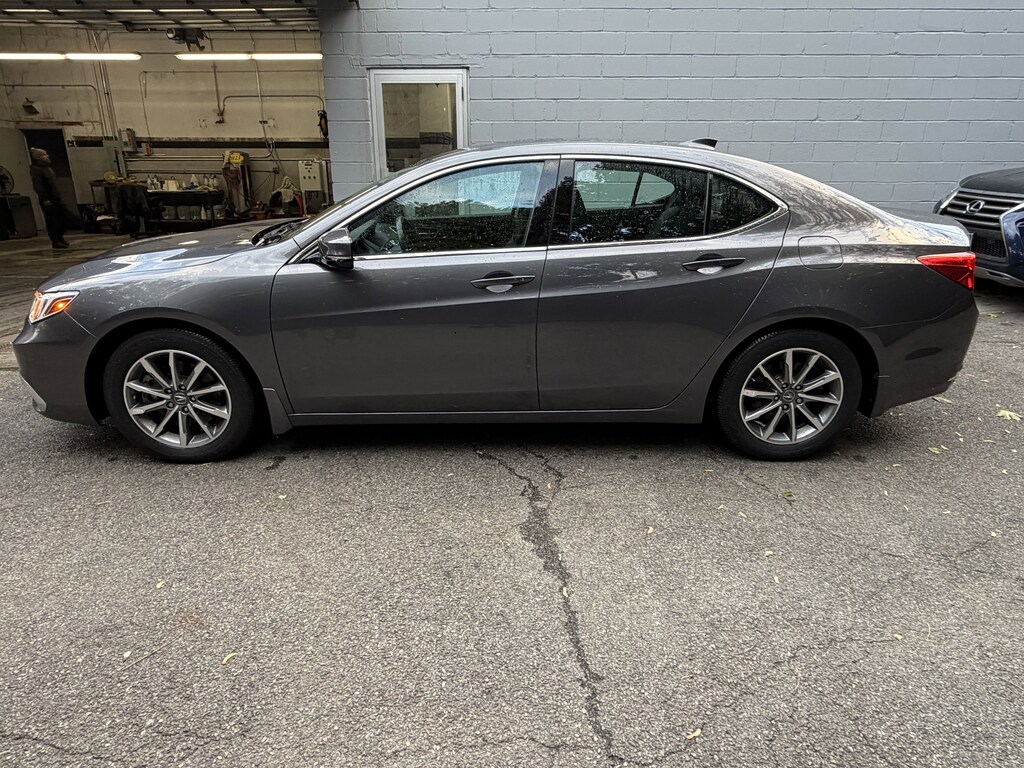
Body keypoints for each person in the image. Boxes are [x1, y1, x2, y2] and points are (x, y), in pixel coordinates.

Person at [29, 147, 69, 249]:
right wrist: (45, 199)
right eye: (44, 155)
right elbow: (38, 186)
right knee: (52, 220)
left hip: (55, 197)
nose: (47, 156)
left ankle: (60, 237)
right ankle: (55, 240)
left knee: (61, 218)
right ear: (39, 158)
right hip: (48, 199)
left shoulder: (47, 168)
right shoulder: (36, 170)